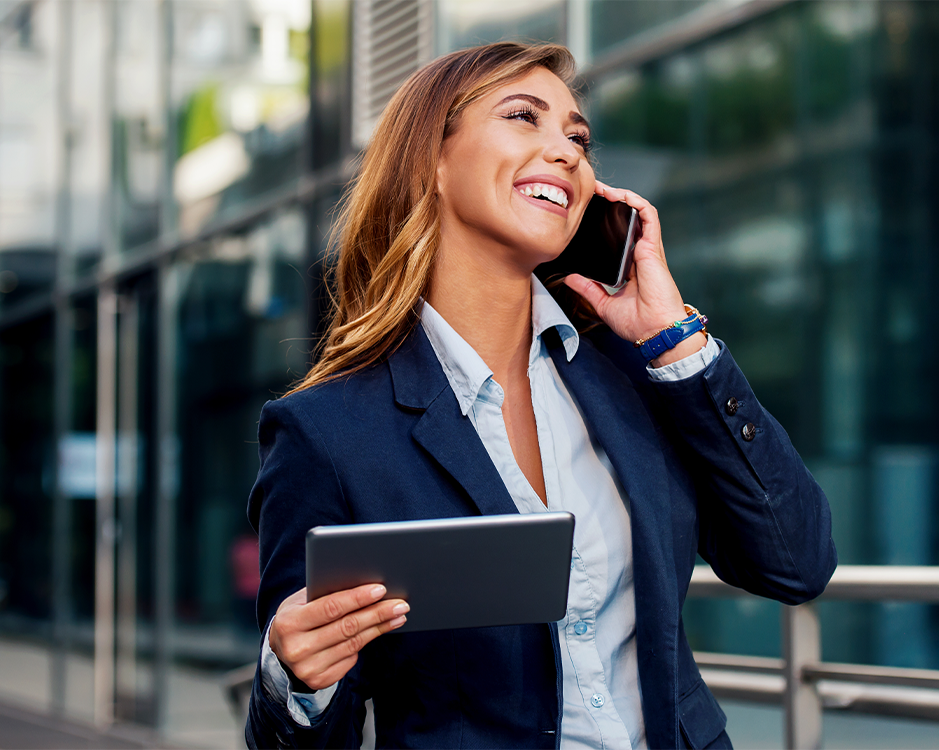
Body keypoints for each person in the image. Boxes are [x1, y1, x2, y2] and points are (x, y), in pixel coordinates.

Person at [245, 42, 837, 750]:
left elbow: (795, 561)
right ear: (431, 161)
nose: (565, 151)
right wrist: (297, 680)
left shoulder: (634, 380)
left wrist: (676, 343)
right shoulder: (328, 435)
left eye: (578, 137)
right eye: (524, 117)